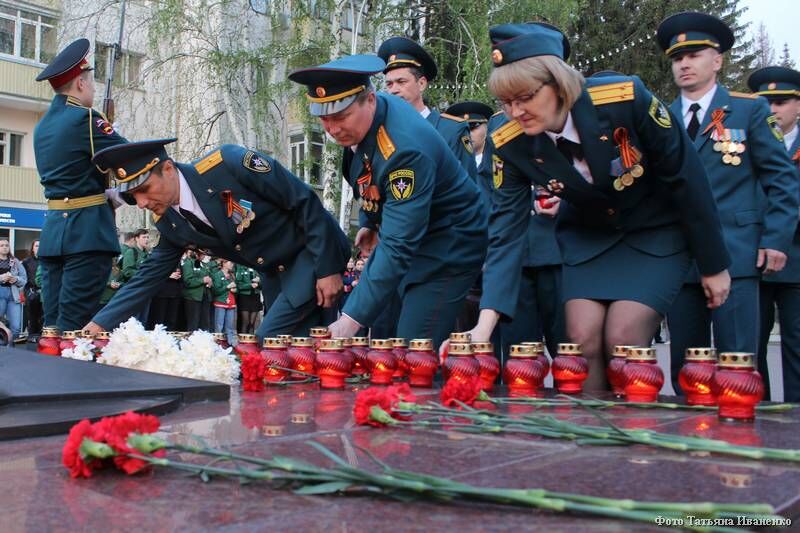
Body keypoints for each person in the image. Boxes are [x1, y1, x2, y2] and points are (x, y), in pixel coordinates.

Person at [462, 22, 731, 391]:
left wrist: (714, 265)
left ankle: (631, 435)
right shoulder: (508, 142)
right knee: (580, 342)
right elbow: (506, 232)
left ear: (557, 83)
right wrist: (484, 324)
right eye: (506, 102)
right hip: (588, 236)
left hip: (655, 232)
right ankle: (592, 437)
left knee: (623, 338)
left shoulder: (624, 98)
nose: (515, 112)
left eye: (524, 97)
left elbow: (687, 176)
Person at [288, 55, 488, 346]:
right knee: (385, 344)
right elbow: (368, 175)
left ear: (369, 100)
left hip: (448, 246)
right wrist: (371, 222)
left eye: (340, 117)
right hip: (412, 233)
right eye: (323, 118)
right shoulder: (366, 119)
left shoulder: (405, 150)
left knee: (413, 350)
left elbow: (398, 244)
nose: (331, 129)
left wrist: (349, 319)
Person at [656, 12, 799, 394]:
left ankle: (744, 445)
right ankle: (691, 444)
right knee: (689, 371)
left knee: (740, 367)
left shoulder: (750, 110)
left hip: (738, 255)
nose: (684, 64)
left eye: (695, 54)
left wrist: (776, 239)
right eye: (677, 58)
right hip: (680, 260)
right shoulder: (661, 119)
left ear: (717, 61)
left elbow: (782, 179)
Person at [83, 139, 351, 338]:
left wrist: (327, 269)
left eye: (144, 190)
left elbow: (303, 201)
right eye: (132, 198)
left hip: (311, 253)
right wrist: (100, 323)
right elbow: (147, 278)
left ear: (167, 168)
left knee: (265, 343)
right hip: (274, 273)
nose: (141, 203)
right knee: (301, 350)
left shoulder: (228, 165)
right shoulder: (169, 223)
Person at [33, 39, 128, 332]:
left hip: (54, 235)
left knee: (53, 327)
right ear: (80, 84)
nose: (94, 90)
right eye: (91, 83)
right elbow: (130, 159)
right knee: (75, 329)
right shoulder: (87, 120)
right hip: (86, 233)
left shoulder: (41, 127)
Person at [748, 65, 800, 401]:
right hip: (753, 258)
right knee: (750, 349)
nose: (772, 110)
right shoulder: (742, 143)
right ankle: (759, 415)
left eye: (780, 102)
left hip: (797, 261)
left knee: (797, 345)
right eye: (765, 102)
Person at [377, 37, 477, 180]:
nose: (394, 90)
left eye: (401, 82)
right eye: (389, 84)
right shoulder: (383, 132)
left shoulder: (451, 131)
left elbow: (468, 190)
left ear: (422, 84)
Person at [0, 238, 28, 342]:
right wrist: (2, 278)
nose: (4, 247)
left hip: (13, 296)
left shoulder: (15, 262)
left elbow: (24, 279)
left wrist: (15, 279)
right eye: (1, 245)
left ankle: (11, 349)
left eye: (6, 245)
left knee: (16, 328)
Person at [212, 259, 238, 345]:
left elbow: (236, 288)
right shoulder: (217, 275)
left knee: (230, 326)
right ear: (224, 263)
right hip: (220, 302)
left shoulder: (232, 275)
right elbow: (216, 291)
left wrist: (235, 290)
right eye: (230, 262)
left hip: (231, 302)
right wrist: (227, 287)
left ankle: (230, 344)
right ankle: (218, 344)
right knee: (219, 325)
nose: (232, 264)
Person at [22, 240, 42, 342]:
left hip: (44, 291)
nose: (38, 247)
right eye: (36, 246)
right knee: (32, 316)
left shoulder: (47, 261)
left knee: (43, 316)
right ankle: (31, 337)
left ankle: (41, 337)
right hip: (31, 291)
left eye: (40, 245)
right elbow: (22, 278)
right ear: (32, 248)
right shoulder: (26, 262)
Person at [234, 263, 261, 334]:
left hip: (255, 297)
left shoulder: (257, 268)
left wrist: (259, 282)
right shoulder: (241, 268)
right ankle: (242, 342)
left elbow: (263, 284)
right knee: (246, 322)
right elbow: (238, 285)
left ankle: (250, 342)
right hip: (244, 297)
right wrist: (250, 285)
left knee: (252, 323)